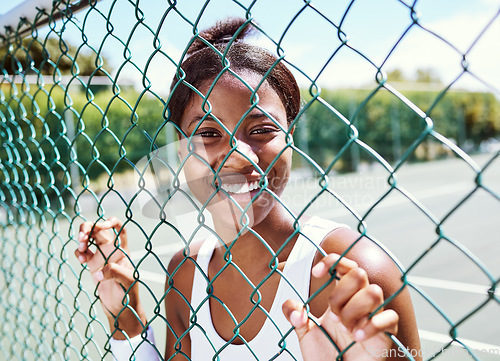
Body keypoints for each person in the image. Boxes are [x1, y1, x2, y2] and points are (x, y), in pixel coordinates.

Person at [75, 18, 422, 361]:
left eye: (261, 129)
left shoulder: (354, 271)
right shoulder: (184, 275)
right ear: (182, 152)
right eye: (208, 133)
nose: (239, 156)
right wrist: (126, 317)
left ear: (290, 139)